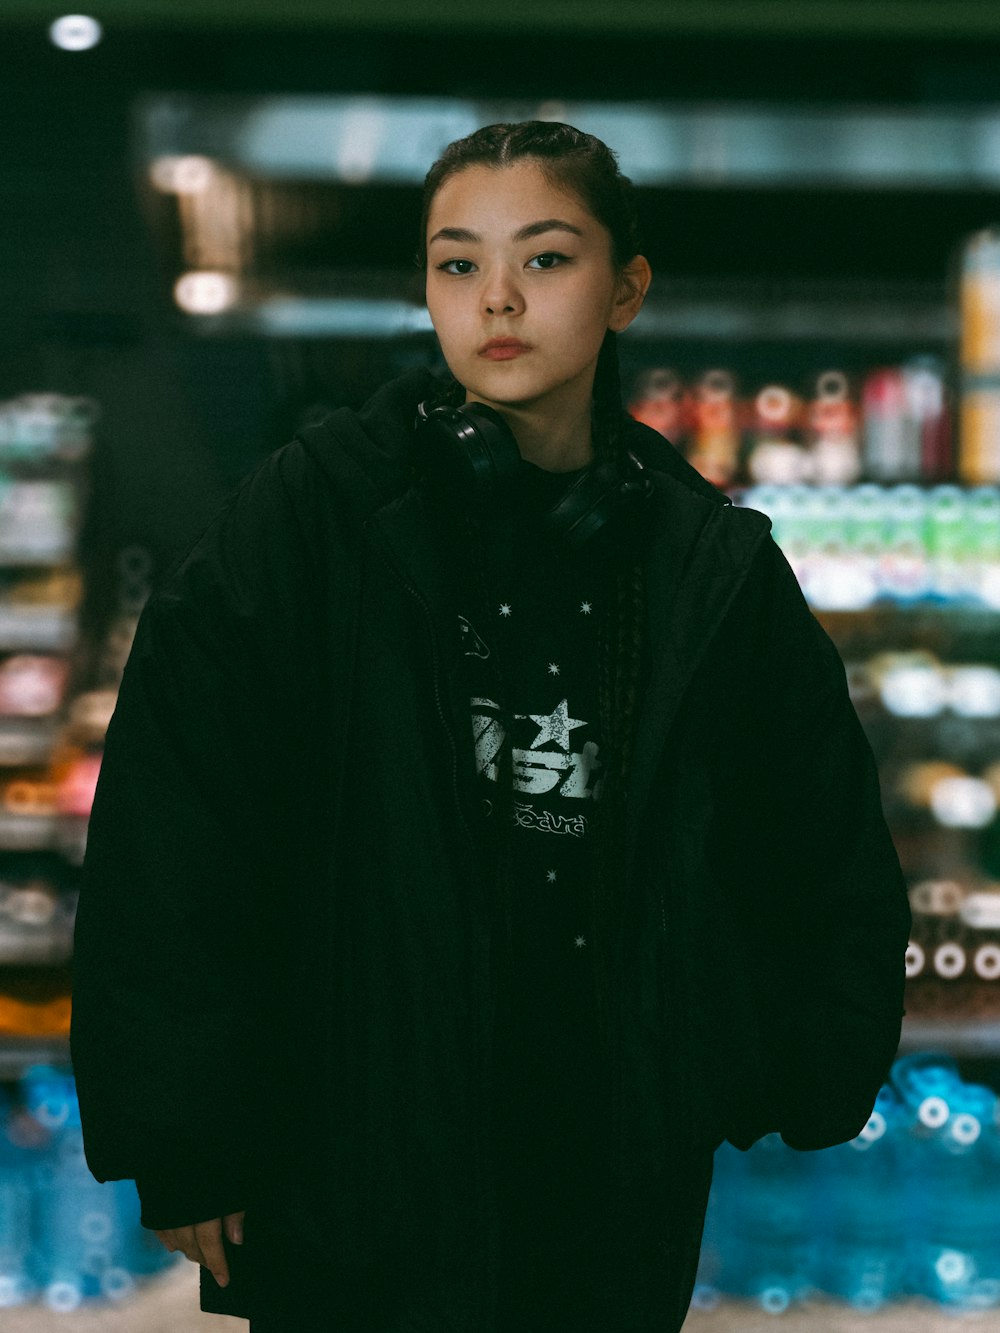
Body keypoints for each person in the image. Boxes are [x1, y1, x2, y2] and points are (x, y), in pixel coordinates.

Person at [69, 120, 912, 1332]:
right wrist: (189, 1134)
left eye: (547, 258)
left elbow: (817, 835)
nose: (497, 298)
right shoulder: (316, 517)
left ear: (627, 289)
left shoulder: (701, 560)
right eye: (456, 263)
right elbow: (177, 824)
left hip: (609, 1179)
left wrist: (766, 1062)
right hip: (349, 1159)